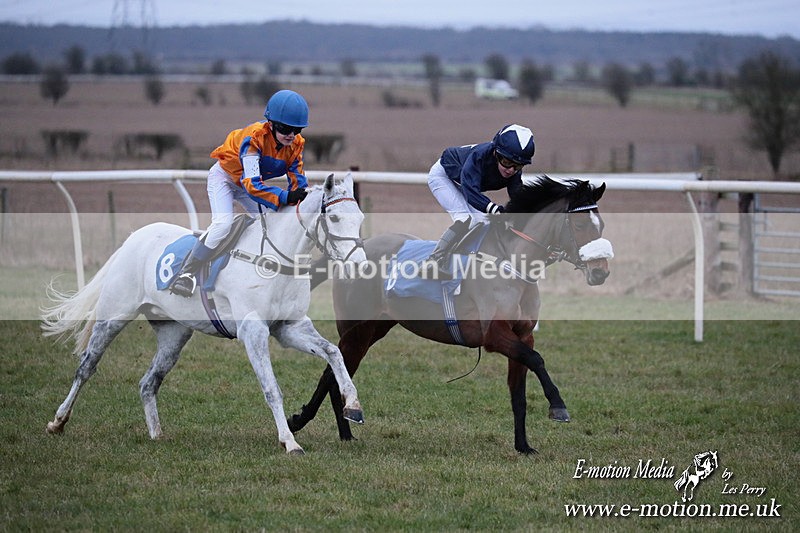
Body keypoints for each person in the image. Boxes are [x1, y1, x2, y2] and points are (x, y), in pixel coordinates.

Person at [169, 89, 310, 297]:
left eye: (296, 130)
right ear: (271, 124)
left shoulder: (295, 146)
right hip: (225, 178)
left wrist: (301, 201)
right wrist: (283, 197)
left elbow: (298, 184)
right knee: (222, 224)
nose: (291, 135)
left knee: (271, 225)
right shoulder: (253, 139)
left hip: (247, 184)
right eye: (286, 128)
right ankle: (186, 273)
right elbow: (252, 185)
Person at [424, 123, 535, 276]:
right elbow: (471, 192)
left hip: (464, 183)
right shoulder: (479, 156)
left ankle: (467, 262)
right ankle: (433, 261)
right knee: (465, 219)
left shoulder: (512, 170)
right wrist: (495, 209)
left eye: (518, 166)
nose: (511, 170)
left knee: (484, 223)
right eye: (507, 162)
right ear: (496, 153)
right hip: (444, 176)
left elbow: (518, 196)